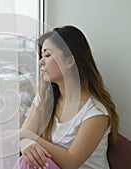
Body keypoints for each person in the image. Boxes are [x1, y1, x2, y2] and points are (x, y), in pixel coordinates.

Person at [17, 25, 119, 169]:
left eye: (47, 55)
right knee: (28, 160)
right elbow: (23, 135)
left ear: (70, 61)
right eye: (41, 56)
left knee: (29, 162)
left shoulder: (95, 113)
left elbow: (71, 162)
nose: (41, 61)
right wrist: (26, 142)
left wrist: (31, 138)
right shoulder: (45, 99)